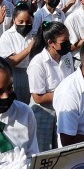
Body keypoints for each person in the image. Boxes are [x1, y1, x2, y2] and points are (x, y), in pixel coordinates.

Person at [27, 21, 75, 151]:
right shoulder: (38, 64)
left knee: (61, 147)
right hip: (44, 112)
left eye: (68, 39)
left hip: (63, 108)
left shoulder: (67, 56)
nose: (68, 43)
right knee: (44, 149)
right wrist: (65, 94)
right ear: (50, 43)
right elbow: (38, 97)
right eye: (64, 41)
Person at [0, 3, 35, 103]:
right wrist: (28, 49)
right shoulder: (7, 36)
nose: (25, 25)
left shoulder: (34, 34)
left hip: (32, 71)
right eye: (20, 22)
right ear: (14, 20)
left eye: (28, 21)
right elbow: (10, 61)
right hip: (15, 73)